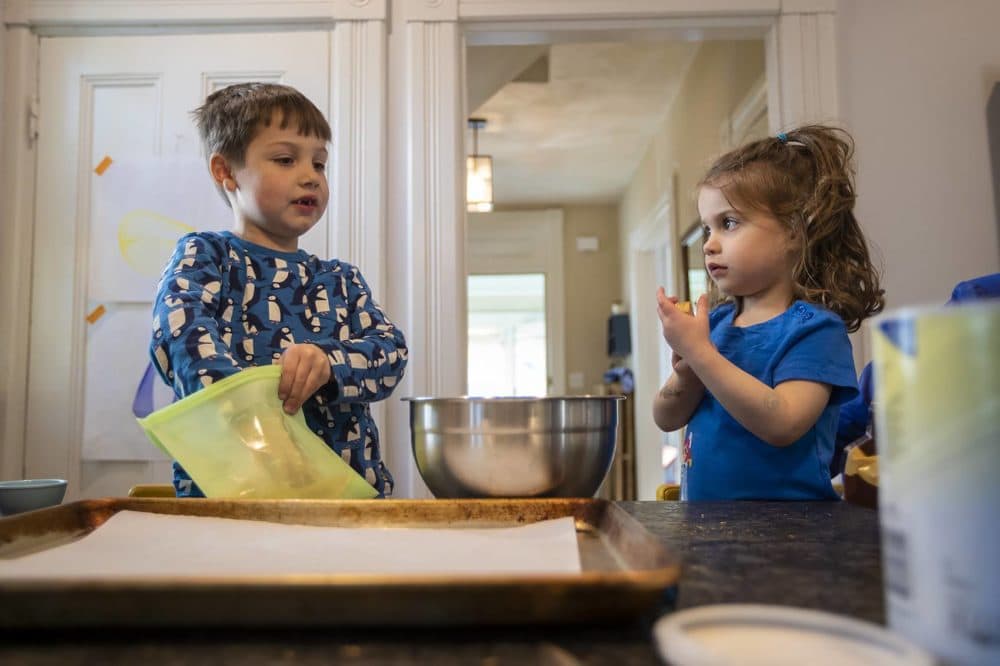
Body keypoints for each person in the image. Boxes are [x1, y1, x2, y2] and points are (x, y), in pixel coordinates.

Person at [149, 82, 407, 498]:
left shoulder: (341, 279)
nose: (310, 176)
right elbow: (179, 337)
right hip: (234, 502)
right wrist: (249, 415)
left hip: (349, 504)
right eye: (286, 159)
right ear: (226, 171)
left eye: (319, 164)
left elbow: (391, 352)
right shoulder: (206, 257)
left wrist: (329, 362)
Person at [652, 125, 884, 500]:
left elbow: (784, 423)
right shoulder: (714, 325)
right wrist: (687, 374)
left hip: (790, 536)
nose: (709, 244)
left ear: (794, 231)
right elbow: (666, 416)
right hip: (706, 530)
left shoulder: (815, 330)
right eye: (707, 229)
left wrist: (701, 354)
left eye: (728, 223)